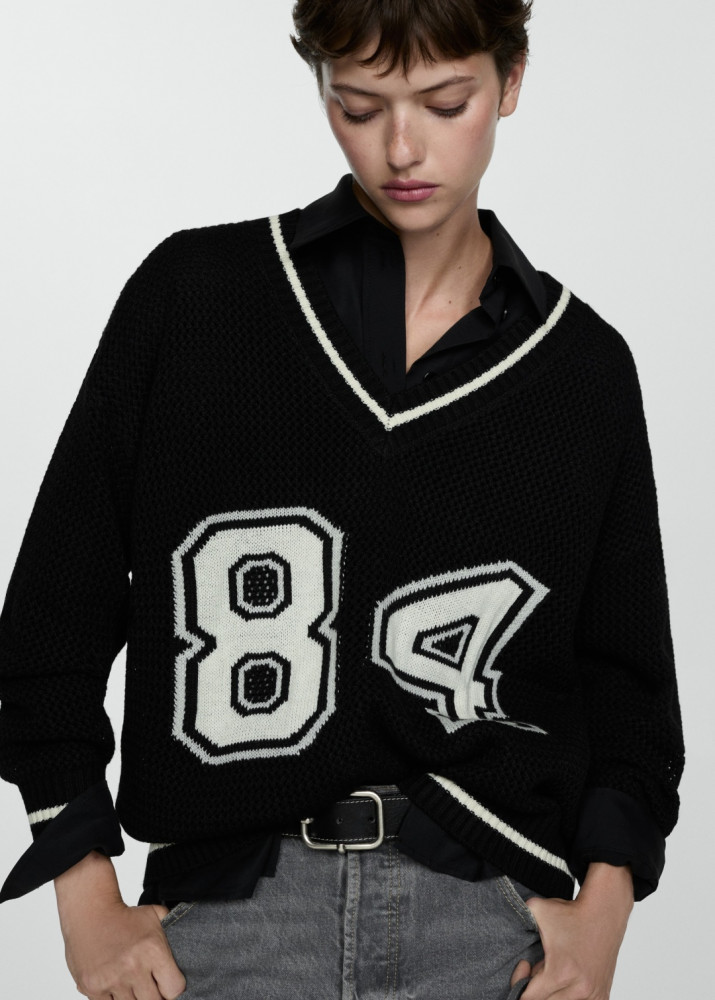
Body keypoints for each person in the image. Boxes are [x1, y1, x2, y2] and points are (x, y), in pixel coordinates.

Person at [0, 1, 684, 998]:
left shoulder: (581, 370)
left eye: (444, 103)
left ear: (511, 79)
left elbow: (632, 698)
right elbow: (48, 625)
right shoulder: (193, 300)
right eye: (358, 106)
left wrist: (603, 916)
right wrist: (82, 888)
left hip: (490, 930)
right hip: (227, 920)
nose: (401, 148)